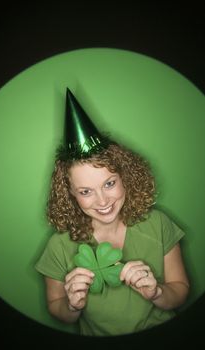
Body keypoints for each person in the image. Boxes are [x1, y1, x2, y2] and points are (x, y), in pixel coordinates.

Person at [35, 88, 189, 336]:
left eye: (109, 184)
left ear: (125, 178)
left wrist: (157, 292)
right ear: (70, 194)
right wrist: (72, 305)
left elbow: (180, 290)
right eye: (86, 191)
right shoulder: (58, 246)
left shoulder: (158, 223)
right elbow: (57, 307)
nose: (103, 200)